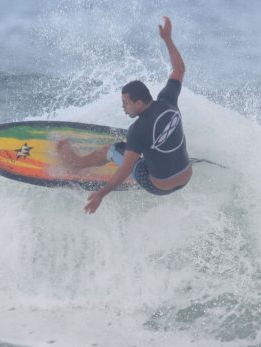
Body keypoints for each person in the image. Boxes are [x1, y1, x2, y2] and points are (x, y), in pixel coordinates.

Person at [57, 16, 191, 214]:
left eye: (125, 103)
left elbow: (126, 168)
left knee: (112, 150)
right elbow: (179, 69)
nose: (123, 108)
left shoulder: (137, 130)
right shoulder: (168, 99)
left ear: (139, 103)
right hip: (186, 176)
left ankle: (76, 163)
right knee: (144, 147)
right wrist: (167, 38)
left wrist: (102, 193)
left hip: (158, 187)